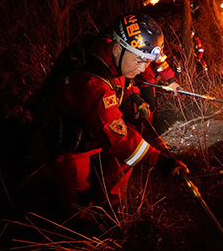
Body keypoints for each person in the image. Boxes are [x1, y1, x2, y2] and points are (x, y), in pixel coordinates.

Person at [30, 13, 186, 222]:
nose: (142, 69)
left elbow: (121, 81)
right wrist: (162, 162)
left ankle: (109, 208)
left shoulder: (107, 49)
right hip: (67, 138)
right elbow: (119, 141)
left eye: (147, 62)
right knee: (78, 193)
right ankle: (80, 230)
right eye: (139, 60)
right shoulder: (93, 85)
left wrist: (133, 97)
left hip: (91, 125)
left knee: (124, 161)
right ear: (120, 47)